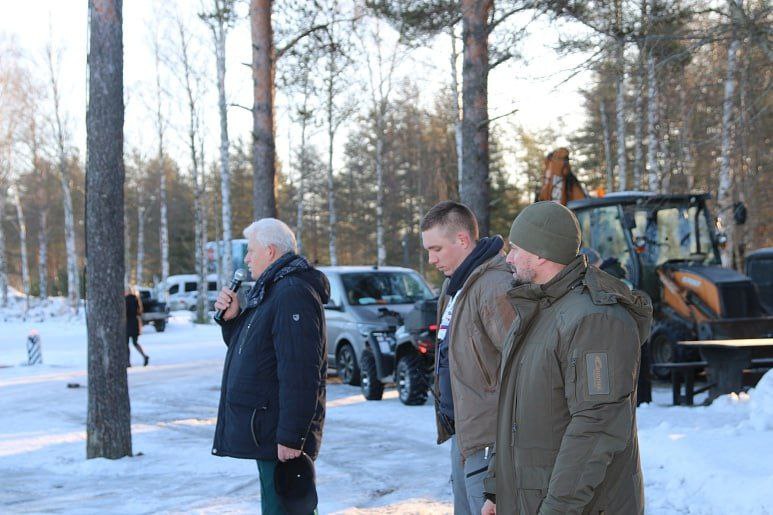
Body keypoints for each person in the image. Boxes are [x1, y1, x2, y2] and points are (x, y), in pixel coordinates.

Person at [482, 201, 653, 515]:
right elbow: (514, 413)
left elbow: (595, 427)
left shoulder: (596, 320)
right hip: (528, 500)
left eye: (516, 248)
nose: (509, 258)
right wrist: (496, 489)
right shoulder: (538, 310)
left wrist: (557, 510)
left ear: (542, 253)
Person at [212, 218, 329, 515]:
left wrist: (291, 436)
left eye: (251, 251)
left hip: (280, 437)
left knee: (286, 509)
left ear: (272, 251)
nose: (247, 259)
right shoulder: (271, 290)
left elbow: (301, 371)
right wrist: (233, 319)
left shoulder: (291, 293)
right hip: (267, 432)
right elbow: (255, 355)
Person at [420, 201, 516, 515]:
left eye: (436, 249)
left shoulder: (495, 286)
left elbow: (521, 368)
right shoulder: (454, 285)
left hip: (490, 441)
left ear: (462, 240)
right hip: (463, 434)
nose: (431, 259)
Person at [125, 287, 149, 367]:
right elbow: (140, 311)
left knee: (126, 344)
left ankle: (128, 362)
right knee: (135, 343)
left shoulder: (126, 300)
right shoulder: (136, 299)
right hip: (135, 322)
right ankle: (144, 356)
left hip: (128, 323)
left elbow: (126, 311)